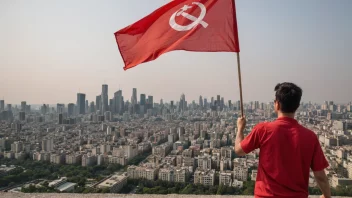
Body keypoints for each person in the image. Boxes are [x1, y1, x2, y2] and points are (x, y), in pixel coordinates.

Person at [234, 82, 331, 198]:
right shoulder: (310, 137)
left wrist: (240, 129)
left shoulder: (263, 130)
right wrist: (326, 195)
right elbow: (320, 175)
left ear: (277, 105)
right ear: (297, 106)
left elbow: (239, 150)